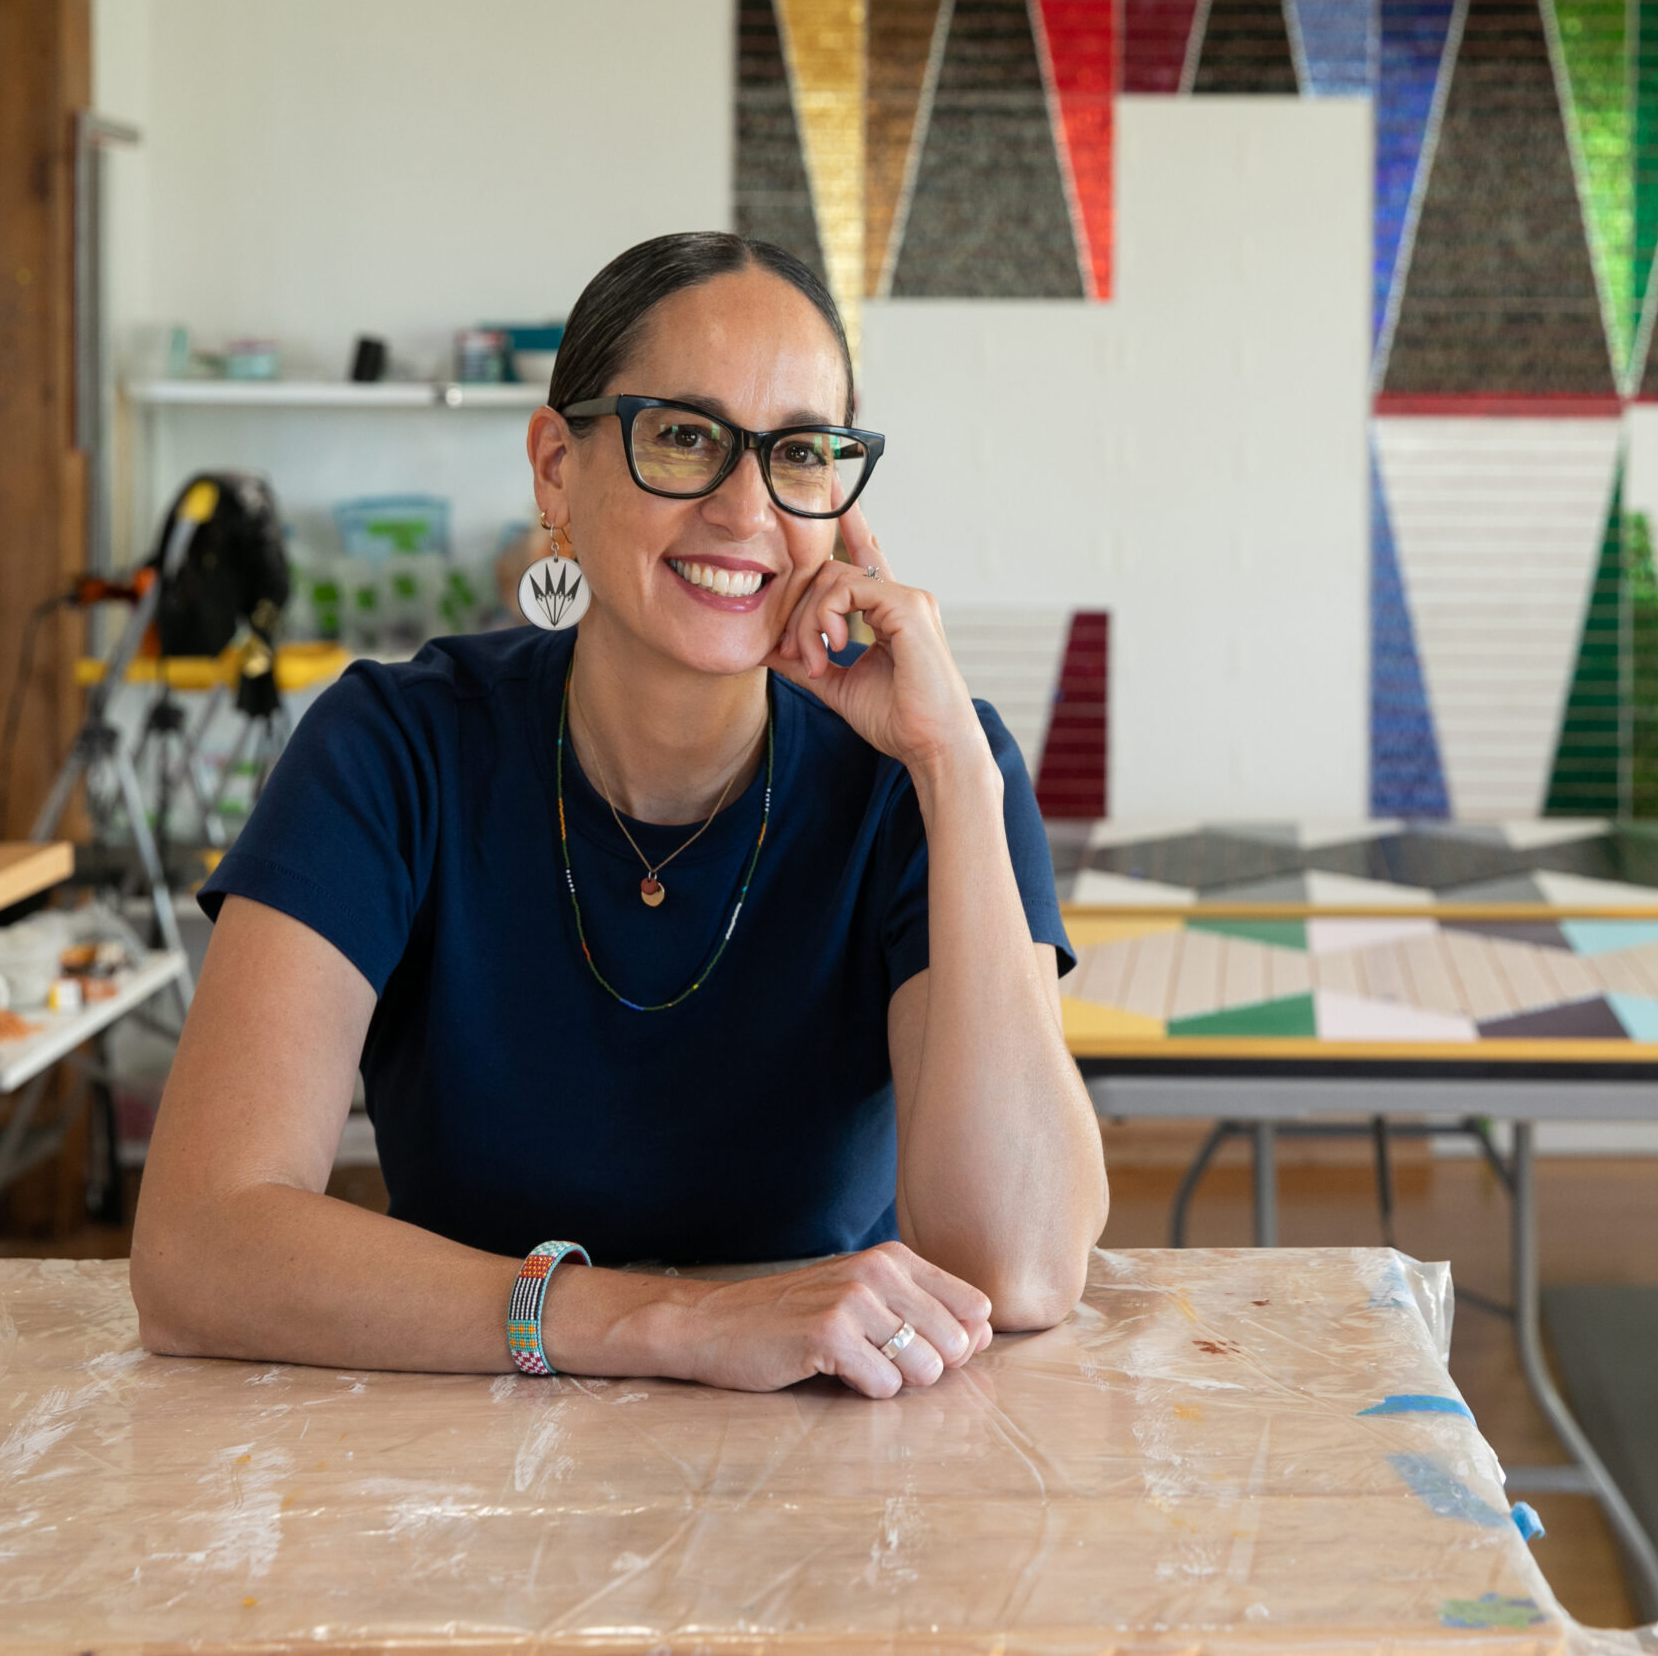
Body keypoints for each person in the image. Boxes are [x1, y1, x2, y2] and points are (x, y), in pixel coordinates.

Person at [131, 232, 1106, 1399]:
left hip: (831, 1455)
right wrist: (671, 1325)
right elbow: (197, 1247)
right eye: (684, 436)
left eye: (799, 453)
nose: (746, 510)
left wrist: (953, 768)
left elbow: (1026, 1267)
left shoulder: (923, 771)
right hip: (455, 1453)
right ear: (556, 470)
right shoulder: (392, 750)